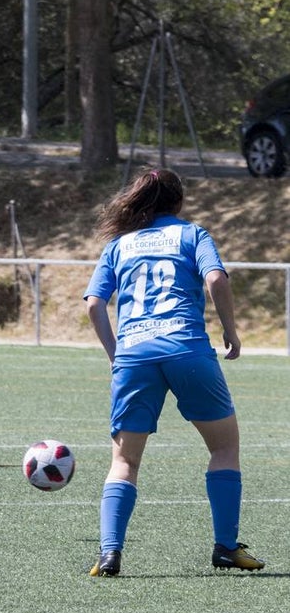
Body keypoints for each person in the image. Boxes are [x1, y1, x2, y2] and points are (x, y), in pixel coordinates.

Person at [83, 167, 264, 577]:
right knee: (223, 448)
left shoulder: (119, 244)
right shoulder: (192, 234)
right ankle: (226, 546)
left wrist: (117, 354)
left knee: (125, 460)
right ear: (178, 202)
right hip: (187, 351)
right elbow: (215, 276)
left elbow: (95, 303)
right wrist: (230, 331)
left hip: (134, 357)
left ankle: (110, 554)